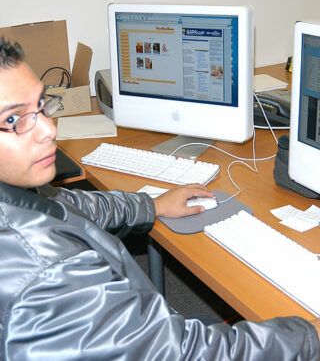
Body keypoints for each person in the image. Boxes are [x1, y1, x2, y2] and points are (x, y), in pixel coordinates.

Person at [0, 37, 319, 361]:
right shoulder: (48, 275)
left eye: (42, 106)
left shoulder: (16, 200)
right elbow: (183, 353)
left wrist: (151, 205)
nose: (48, 129)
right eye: (14, 119)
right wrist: (310, 336)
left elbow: (65, 207)